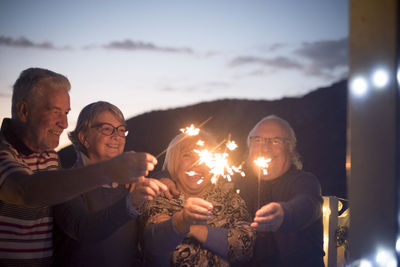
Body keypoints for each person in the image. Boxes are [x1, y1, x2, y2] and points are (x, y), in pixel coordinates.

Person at [0, 68, 157, 266]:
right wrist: (110, 171)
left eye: (66, 113)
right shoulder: (4, 154)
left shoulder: (49, 156)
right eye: (55, 111)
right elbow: (25, 190)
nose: (64, 123)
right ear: (24, 111)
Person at [52, 101, 167, 266]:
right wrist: (130, 203)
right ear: (84, 137)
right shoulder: (66, 182)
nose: (117, 136)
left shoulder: (130, 183)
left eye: (121, 130)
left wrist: (165, 177)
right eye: (106, 129)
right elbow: (83, 228)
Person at [140, 131, 255, 266]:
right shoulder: (160, 198)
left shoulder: (230, 197)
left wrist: (191, 228)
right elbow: (154, 247)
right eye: (187, 155)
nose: (196, 163)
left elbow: (245, 249)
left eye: (203, 155)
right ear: (174, 161)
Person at [233, 115, 324, 266]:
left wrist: (284, 213)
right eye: (258, 140)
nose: (265, 147)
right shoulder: (237, 185)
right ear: (249, 147)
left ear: (290, 148)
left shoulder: (304, 181)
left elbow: (307, 205)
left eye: (275, 141)